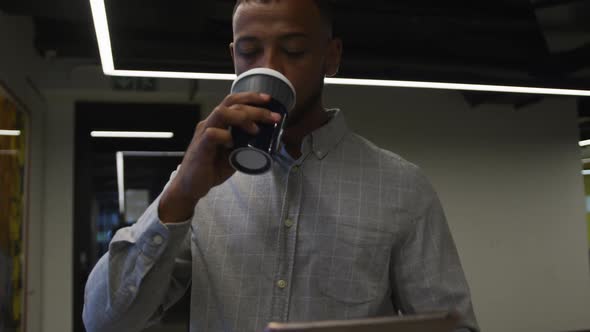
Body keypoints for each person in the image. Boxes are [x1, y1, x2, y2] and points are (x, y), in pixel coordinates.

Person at [83, 1, 480, 331]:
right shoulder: (199, 184)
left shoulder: (402, 188)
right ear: (233, 57)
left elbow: (455, 326)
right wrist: (180, 195)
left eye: (293, 51)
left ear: (331, 56)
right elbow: (105, 321)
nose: (270, 68)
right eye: (250, 51)